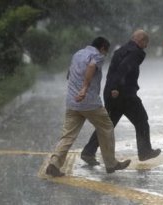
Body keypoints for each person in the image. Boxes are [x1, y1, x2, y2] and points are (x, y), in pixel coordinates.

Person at [46, 37, 131, 177]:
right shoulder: (96, 56)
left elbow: (69, 74)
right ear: (103, 47)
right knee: (107, 127)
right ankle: (111, 163)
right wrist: (84, 88)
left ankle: (54, 164)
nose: (105, 55)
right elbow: (92, 66)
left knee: (68, 135)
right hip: (89, 102)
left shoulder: (77, 54)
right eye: (106, 51)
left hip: (73, 102)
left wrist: (76, 88)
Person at [81, 30, 161, 166]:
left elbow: (115, 71)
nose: (146, 47)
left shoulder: (122, 50)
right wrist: (116, 88)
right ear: (141, 41)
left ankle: (88, 151)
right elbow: (123, 69)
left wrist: (112, 89)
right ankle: (145, 151)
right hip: (123, 94)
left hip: (113, 93)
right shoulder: (135, 52)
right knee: (141, 120)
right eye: (146, 43)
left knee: (108, 125)